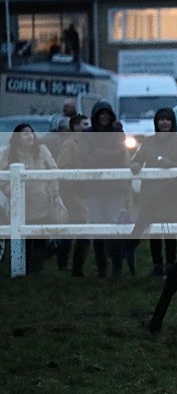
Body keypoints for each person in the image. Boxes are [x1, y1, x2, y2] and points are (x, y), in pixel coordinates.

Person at [130, 108, 177, 277]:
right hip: (151, 192)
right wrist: (135, 165)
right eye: (161, 119)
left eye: (167, 119)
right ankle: (157, 264)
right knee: (154, 229)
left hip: (171, 193)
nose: (164, 123)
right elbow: (137, 158)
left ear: (172, 122)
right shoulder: (149, 142)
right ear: (156, 122)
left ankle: (171, 265)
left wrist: (171, 164)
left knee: (169, 228)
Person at [79, 101, 131, 277]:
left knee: (114, 227)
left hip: (115, 187)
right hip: (94, 188)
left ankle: (117, 266)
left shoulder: (117, 132)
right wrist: (107, 155)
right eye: (100, 114)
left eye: (106, 114)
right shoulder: (86, 134)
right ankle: (102, 267)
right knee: (97, 228)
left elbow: (120, 154)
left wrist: (98, 153)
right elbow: (85, 159)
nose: (104, 117)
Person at [0, 124, 61, 274]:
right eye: (25, 134)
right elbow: (1, 175)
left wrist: (53, 190)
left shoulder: (42, 150)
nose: (30, 136)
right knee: (22, 237)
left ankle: (36, 270)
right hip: (20, 203)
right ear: (17, 137)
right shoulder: (10, 153)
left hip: (41, 200)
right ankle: (21, 269)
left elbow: (54, 170)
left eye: (31, 133)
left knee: (40, 237)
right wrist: (8, 190)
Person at [56, 114, 91, 276]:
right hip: (73, 192)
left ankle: (71, 265)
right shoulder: (70, 144)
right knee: (80, 229)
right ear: (75, 126)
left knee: (76, 229)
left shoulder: (85, 143)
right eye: (84, 124)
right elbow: (63, 166)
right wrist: (69, 191)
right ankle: (72, 267)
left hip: (82, 191)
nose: (87, 127)